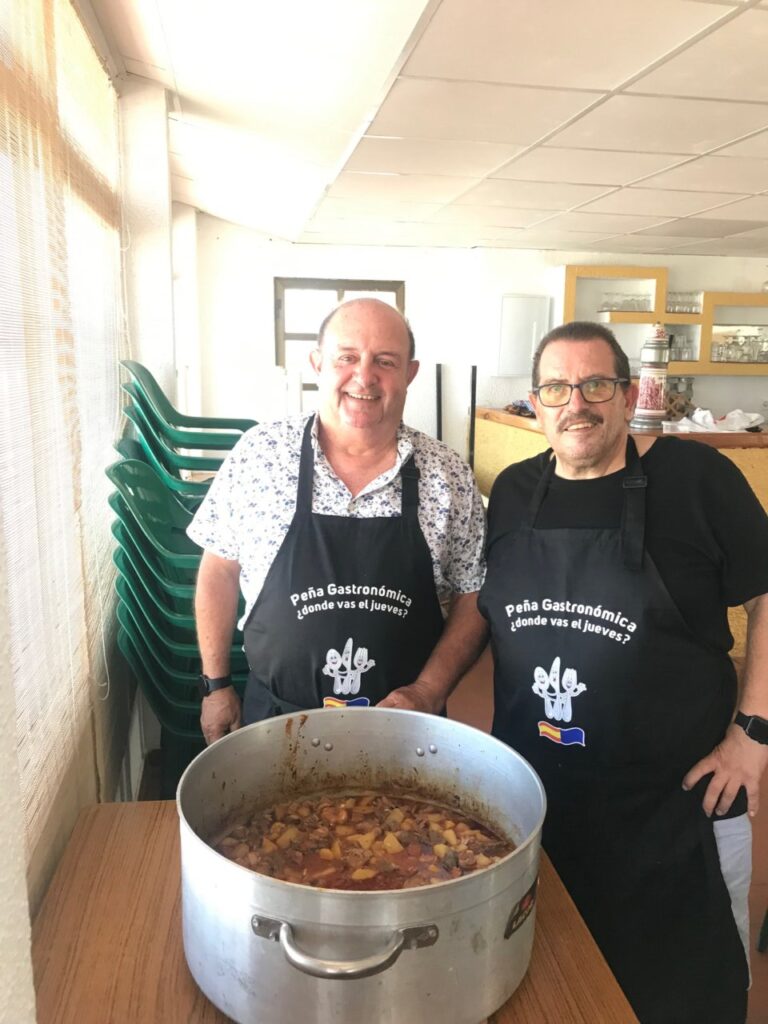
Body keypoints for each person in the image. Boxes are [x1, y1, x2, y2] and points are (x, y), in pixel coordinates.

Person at [478, 321, 768, 1024]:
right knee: (544, 983)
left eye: (596, 384)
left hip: (675, 810)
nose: (576, 403)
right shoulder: (516, 492)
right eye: (556, 388)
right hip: (534, 800)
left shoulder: (697, 480)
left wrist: (754, 733)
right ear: (537, 404)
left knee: (688, 996)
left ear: (628, 392)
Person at [188, 297, 488, 743]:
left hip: (405, 730)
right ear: (317, 364)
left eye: (385, 361)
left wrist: (428, 691)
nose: (364, 376)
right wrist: (215, 685)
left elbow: (472, 594)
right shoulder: (260, 456)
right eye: (347, 357)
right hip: (275, 723)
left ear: (411, 373)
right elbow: (219, 569)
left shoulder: (449, 476)